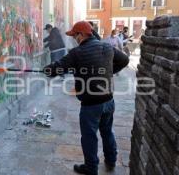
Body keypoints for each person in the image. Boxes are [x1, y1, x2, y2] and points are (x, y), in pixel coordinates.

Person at [43, 21, 129, 175]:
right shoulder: (107, 47)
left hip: (91, 105)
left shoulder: (77, 53)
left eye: (75, 35)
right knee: (107, 131)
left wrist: (48, 70)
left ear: (82, 35)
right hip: (108, 101)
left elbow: (58, 67)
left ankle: (91, 168)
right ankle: (111, 161)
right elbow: (124, 60)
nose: (74, 38)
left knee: (89, 137)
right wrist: (108, 72)